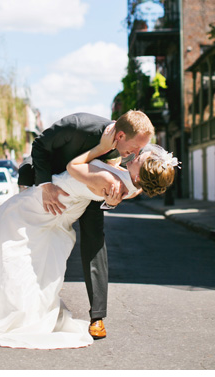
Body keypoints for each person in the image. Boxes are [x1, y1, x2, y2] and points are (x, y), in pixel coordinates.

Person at [0, 143, 177, 349]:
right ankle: (8, 310)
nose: (140, 154)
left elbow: (74, 166)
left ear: (141, 172)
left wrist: (100, 147)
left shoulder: (110, 180)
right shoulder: (129, 185)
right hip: (53, 213)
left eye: (142, 159)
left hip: (38, 207)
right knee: (20, 262)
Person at [17, 110, 153, 339]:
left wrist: (111, 202)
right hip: (55, 182)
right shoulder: (77, 125)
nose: (136, 153)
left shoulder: (121, 148)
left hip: (86, 191)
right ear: (119, 135)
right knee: (38, 243)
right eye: (136, 147)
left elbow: (114, 180)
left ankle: (97, 317)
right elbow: (40, 145)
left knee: (94, 241)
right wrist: (46, 184)